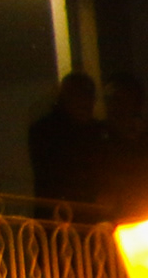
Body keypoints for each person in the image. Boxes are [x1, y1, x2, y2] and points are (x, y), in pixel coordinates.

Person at [91, 75, 148, 217]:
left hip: (146, 211)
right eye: (110, 99)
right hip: (110, 213)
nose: (115, 105)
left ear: (135, 103)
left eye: (121, 99)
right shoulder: (96, 135)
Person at [28, 72, 105, 206]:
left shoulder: (99, 131)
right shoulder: (46, 131)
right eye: (79, 96)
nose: (85, 102)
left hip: (88, 209)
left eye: (88, 97)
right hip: (62, 210)